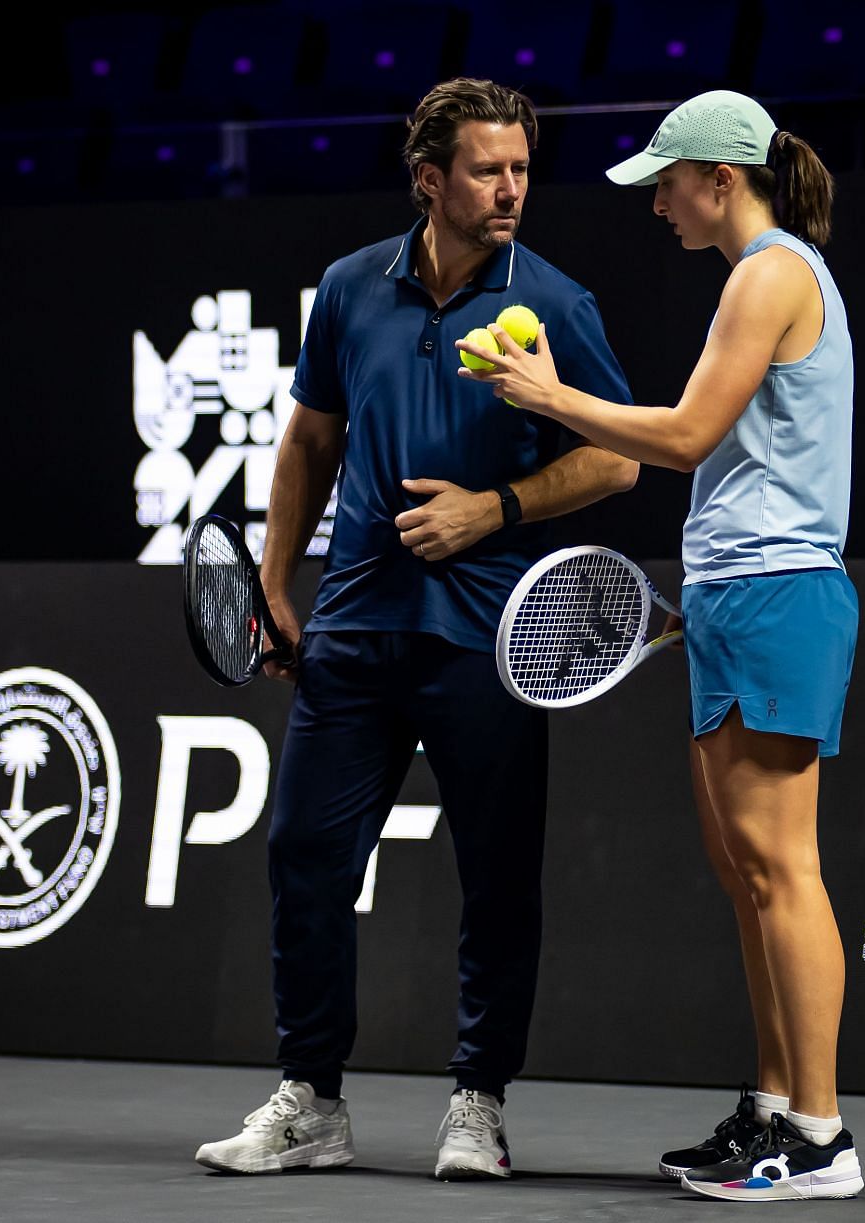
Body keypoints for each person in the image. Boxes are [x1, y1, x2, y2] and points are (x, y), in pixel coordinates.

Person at [193, 78, 637, 1182]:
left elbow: (619, 456)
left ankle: (478, 1101)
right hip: (352, 629)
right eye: (488, 170)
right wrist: (277, 582)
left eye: (523, 169)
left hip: (489, 638)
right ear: (430, 179)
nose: (511, 190)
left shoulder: (558, 302)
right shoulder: (349, 290)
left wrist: (495, 509)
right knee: (303, 855)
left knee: (496, 879)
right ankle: (312, 1101)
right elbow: (306, 443)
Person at [456, 90, 861, 1203]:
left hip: (781, 593)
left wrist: (547, 394)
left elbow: (684, 437)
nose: (658, 204)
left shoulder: (771, 272)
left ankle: (822, 1134)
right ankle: (776, 1107)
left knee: (784, 869)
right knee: (745, 876)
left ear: (721, 179)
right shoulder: (760, 276)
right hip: (735, 593)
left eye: (667, 183)